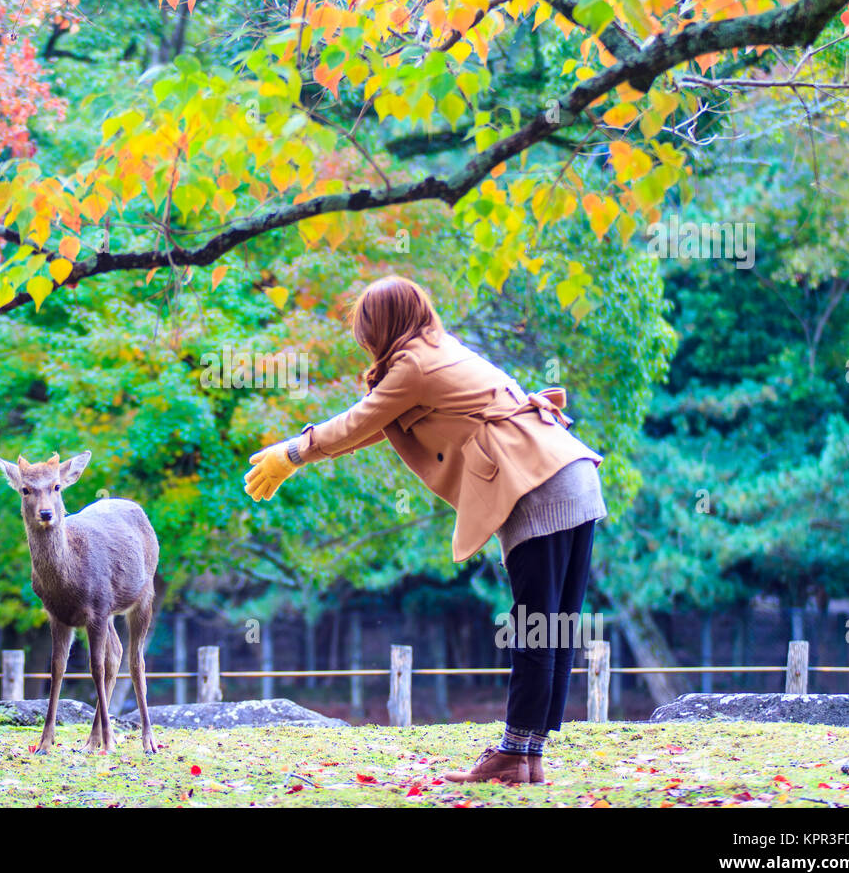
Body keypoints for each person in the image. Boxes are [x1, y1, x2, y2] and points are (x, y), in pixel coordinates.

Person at [243, 276, 607, 785]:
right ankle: (526, 755)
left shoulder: (414, 365)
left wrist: (294, 452)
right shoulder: (438, 349)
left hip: (538, 481)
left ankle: (514, 751)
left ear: (382, 325)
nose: (361, 337)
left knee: (536, 626)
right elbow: (370, 426)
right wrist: (301, 455)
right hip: (570, 470)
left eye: (364, 326)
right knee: (552, 624)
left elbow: (357, 421)